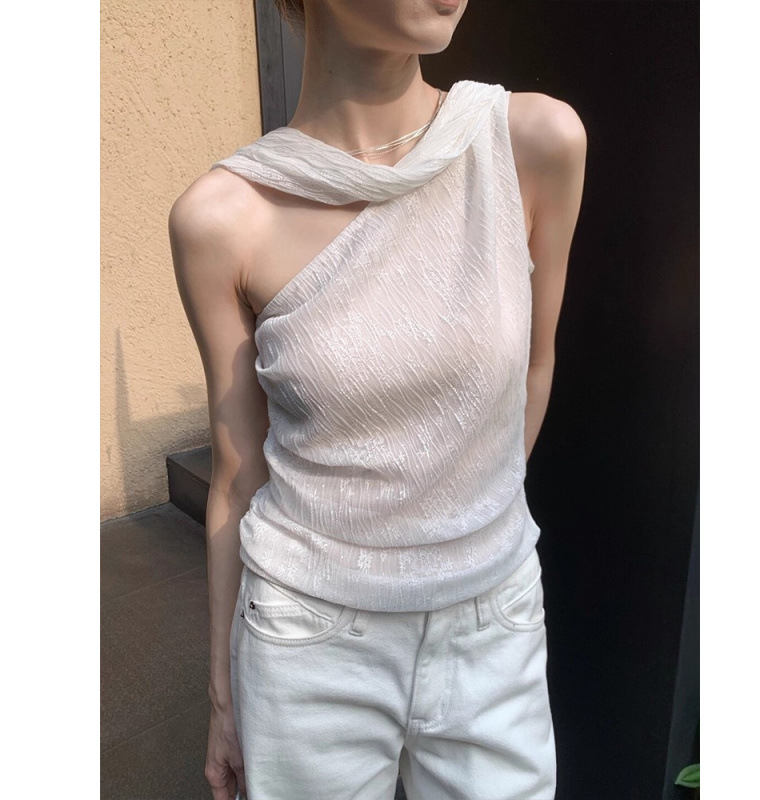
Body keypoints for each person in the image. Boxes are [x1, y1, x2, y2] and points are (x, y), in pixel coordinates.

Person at [169, 1, 586, 798]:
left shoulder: (532, 143)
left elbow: (536, 365)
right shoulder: (224, 218)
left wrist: (461, 520)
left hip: (492, 623)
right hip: (307, 635)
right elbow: (236, 470)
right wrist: (223, 696)